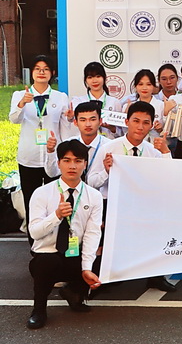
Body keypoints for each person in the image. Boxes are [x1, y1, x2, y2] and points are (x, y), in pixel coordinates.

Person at [90, 102, 173, 293]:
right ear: (127, 122)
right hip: (113, 205)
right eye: (136, 121)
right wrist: (106, 171)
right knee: (110, 244)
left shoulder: (153, 151)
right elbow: (91, 182)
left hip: (143, 204)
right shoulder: (109, 148)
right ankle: (105, 278)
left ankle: (155, 276)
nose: (140, 127)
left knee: (156, 233)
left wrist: (166, 153)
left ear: (151, 125)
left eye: (146, 122)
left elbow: (168, 179)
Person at [26, 139, 103, 329]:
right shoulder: (42, 193)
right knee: (46, 261)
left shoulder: (93, 196)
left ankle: (74, 293)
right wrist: (57, 215)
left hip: (75, 254)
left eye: (78, 161)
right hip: (48, 254)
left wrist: (87, 268)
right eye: (67, 160)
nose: (72, 166)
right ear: (59, 163)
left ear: (85, 164)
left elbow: (93, 233)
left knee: (103, 260)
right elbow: (34, 232)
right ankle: (39, 310)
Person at [11, 55, 72, 242]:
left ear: (52, 73)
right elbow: (14, 119)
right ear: (32, 73)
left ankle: (56, 241)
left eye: (45, 69)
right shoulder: (20, 95)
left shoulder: (60, 97)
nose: (41, 72)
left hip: (53, 157)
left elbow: (65, 127)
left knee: (56, 199)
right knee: (32, 200)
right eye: (37, 69)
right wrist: (22, 104)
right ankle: (34, 243)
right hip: (29, 157)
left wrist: (70, 118)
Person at [44, 101, 106, 181]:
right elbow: (52, 173)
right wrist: (50, 151)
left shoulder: (109, 146)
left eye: (92, 119)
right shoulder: (68, 145)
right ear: (76, 122)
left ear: (100, 121)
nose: (88, 124)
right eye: (83, 120)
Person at [71, 61, 122, 137]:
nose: (94, 81)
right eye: (90, 77)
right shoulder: (78, 101)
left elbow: (122, 133)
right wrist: (70, 117)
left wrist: (111, 128)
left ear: (104, 78)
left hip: (108, 142)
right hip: (85, 143)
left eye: (98, 76)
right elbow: (72, 124)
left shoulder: (114, 102)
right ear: (85, 80)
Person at [124, 70, 164, 141]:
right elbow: (123, 132)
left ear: (154, 86)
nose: (144, 88)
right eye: (140, 84)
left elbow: (169, 134)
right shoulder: (128, 106)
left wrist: (161, 128)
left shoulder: (162, 105)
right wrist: (125, 115)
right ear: (135, 86)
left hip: (155, 144)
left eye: (148, 84)